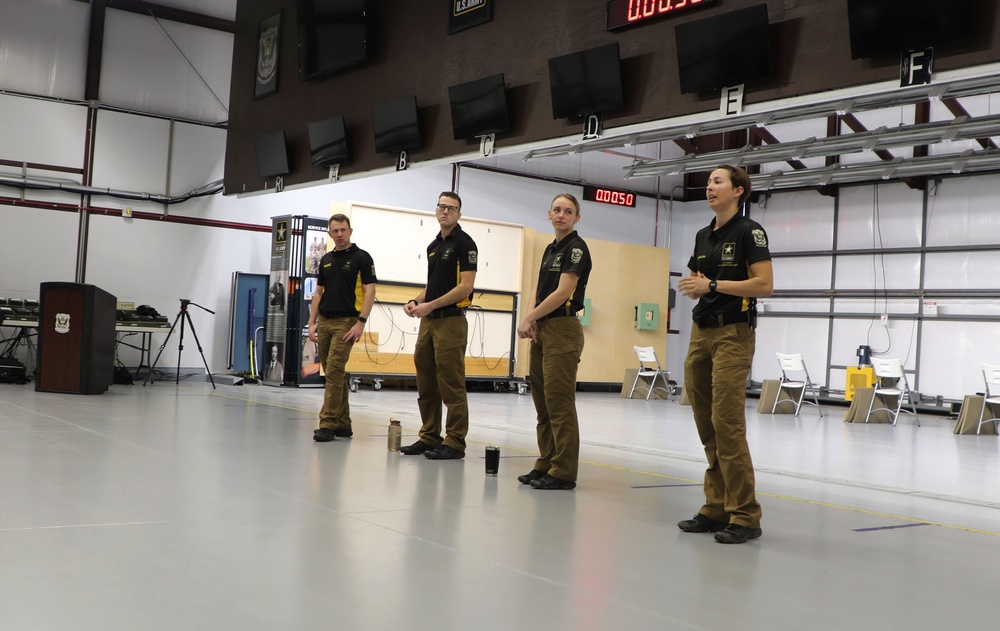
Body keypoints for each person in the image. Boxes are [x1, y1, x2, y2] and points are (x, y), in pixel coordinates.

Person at [677, 165, 773, 544]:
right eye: (709, 182)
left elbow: (764, 285)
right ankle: (715, 507)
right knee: (707, 422)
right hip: (702, 332)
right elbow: (694, 281)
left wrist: (713, 284)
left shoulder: (750, 232)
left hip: (734, 332)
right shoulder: (704, 235)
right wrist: (699, 286)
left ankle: (745, 515)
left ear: (739, 191)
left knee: (727, 421)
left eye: (718, 182)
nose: (710, 187)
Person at [516, 194, 592, 490]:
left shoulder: (576, 249)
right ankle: (547, 461)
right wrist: (532, 317)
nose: (562, 215)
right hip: (543, 326)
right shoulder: (551, 248)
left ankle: (563, 471)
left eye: (568, 211)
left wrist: (528, 318)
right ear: (549, 214)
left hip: (562, 328)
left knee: (559, 403)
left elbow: (562, 293)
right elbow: (539, 287)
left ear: (577, 218)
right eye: (557, 210)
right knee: (543, 403)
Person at [400, 192, 478, 460]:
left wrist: (430, 305)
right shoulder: (434, 245)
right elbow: (431, 287)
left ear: (459, 213)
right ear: (436, 210)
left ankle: (455, 441)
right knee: (426, 381)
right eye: (441, 207)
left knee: (451, 383)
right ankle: (429, 436)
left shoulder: (465, 244)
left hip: (451, 322)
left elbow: (465, 287)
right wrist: (416, 301)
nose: (445, 211)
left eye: (451, 208)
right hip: (429, 322)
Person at [308, 214, 377, 442]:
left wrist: (361, 322)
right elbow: (318, 293)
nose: (339, 234)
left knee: (335, 371)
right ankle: (344, 424)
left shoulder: (362, 258)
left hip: (347, 322)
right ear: (329, 233)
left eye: (343, 230)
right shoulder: (326, 259)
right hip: (325, 322)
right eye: (335, 230)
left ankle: (327, 423)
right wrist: (312, 322)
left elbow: (370, 291)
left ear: (350, 231)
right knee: (333, 373)